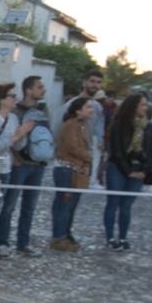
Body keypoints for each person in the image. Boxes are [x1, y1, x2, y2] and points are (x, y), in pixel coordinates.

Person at [0, 75, 50, 256]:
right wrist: (14, 156)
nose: (43, 90)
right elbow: (10, 135)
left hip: (38, 165)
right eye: (39, 87)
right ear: (28, 90)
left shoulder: (43, 109)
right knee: (9, 205)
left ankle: (23, 243)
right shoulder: (15, 111)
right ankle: (3, 242)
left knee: (30, 206)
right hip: (20, 165)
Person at [103, 93, 152, 250]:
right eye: (142, 104)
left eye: (146, 104)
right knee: (113, 202)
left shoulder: (148, 126)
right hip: (118, 167)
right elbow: (116, 151)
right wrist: (128, 171)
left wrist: (144, 170)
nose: (146, 108)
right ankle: (110, 237)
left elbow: (151, 150)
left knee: (127, 205)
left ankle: (123, 237)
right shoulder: (119, 124)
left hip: (137, 169)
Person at [49, 97, 93, 252]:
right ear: (78, 110)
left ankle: (66, 233)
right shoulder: (70, 126)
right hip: (65, 171)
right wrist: (89, 157)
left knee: (71, 205)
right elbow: (73, 147)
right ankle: (59, 237)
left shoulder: (83, 126)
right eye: (88, 107)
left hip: (77, 172)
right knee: (64, 204)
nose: (91, 110)